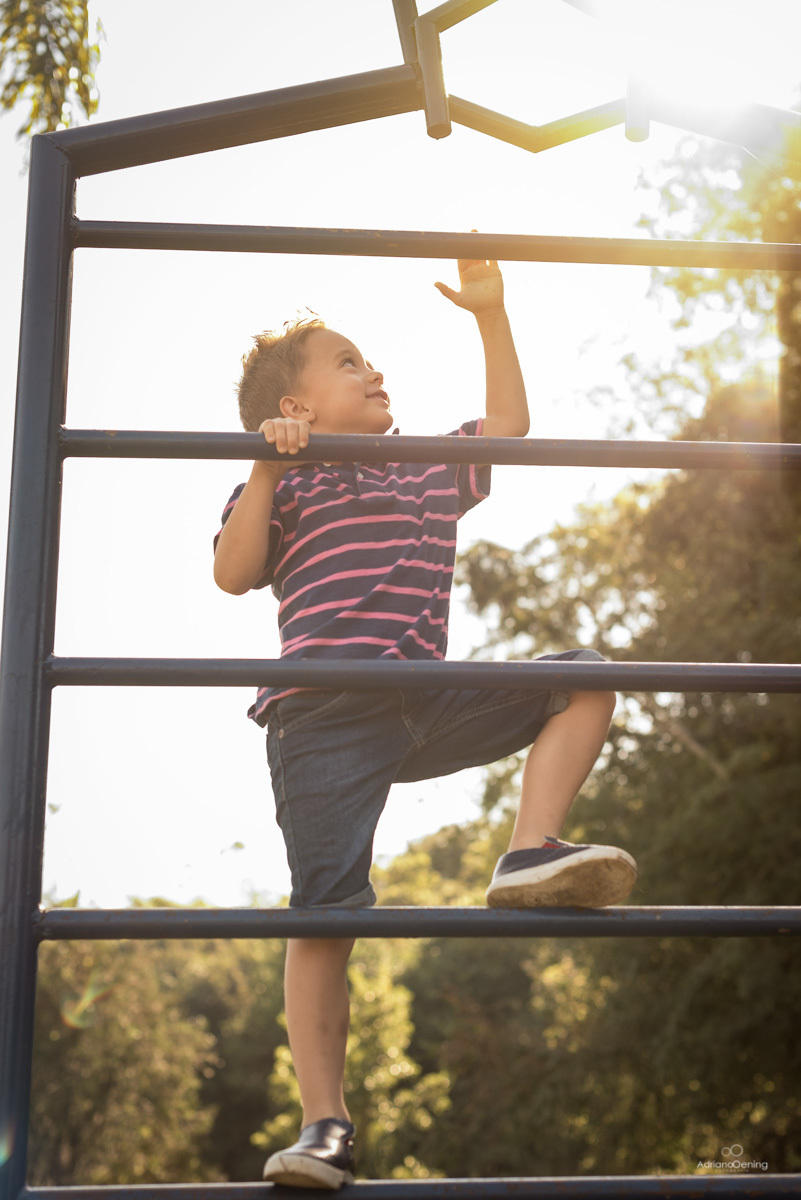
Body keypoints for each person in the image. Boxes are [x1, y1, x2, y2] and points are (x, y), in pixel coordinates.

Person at [213, 256, 637, 1189]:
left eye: (370, 359)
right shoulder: (287, 483)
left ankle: (530, 849)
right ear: (298, 405)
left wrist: (492, 316)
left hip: (430, 697)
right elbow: (234, 572)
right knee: (326, 912)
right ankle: (324, 1125)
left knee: (589, 678)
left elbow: (512, 429)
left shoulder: (425, 466)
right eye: (348, 362)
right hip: (321, 720)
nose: (373, 371)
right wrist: (264, 461)